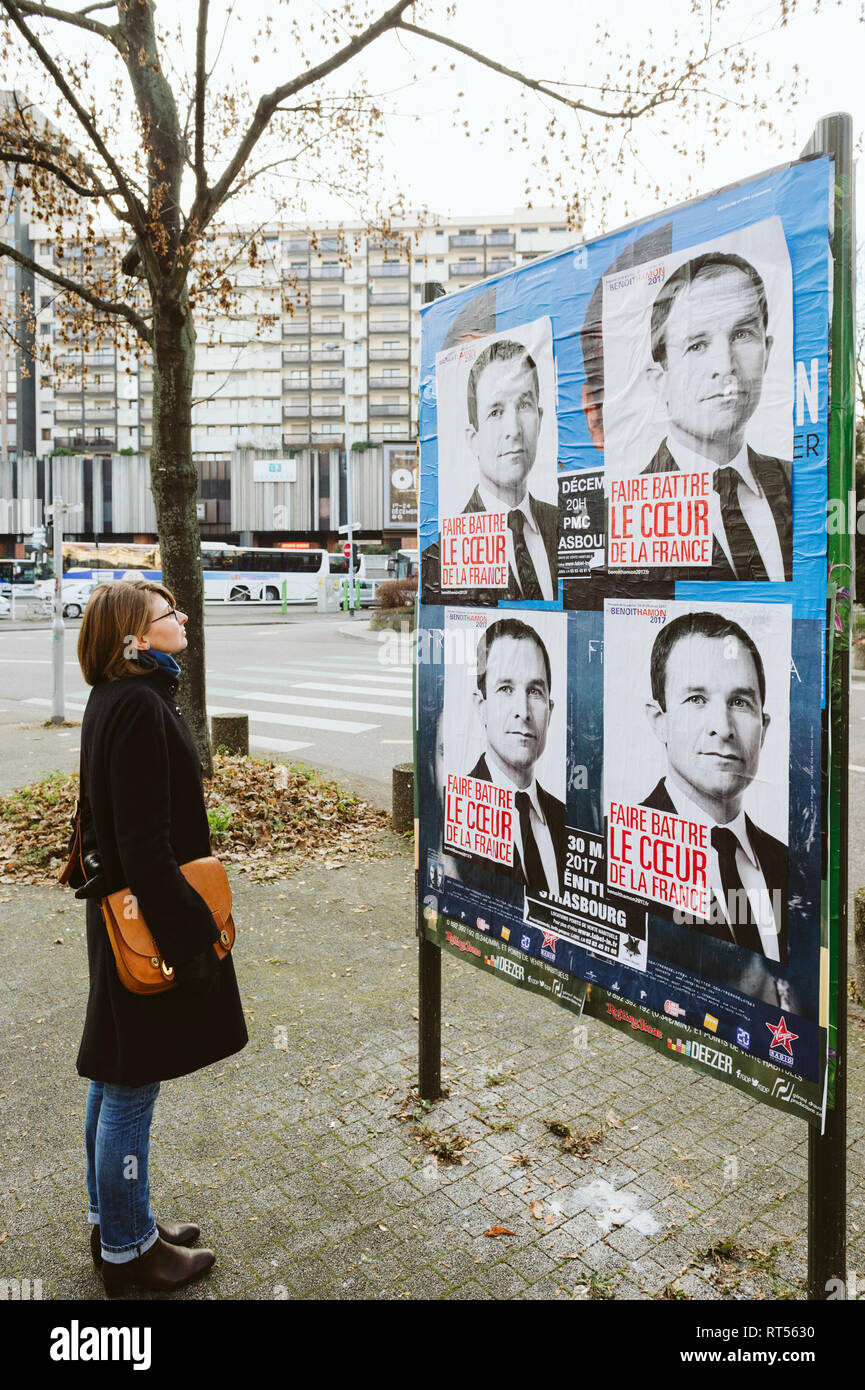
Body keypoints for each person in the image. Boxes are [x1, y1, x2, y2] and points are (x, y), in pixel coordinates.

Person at [72, 579, 248, 1294]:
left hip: (119, 914)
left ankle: (115, 1217)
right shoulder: (141, 707)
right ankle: (130, 1253)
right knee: (130, 1088)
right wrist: (192, 942)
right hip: (146, 922)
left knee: (114, 1072)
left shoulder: (119, 696)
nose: (181, 617)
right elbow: (146, 845)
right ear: (132, 638)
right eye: (165, 613)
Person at [641, 610, 788, 961]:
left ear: (763, 728)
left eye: (740, 703)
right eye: (696, 699)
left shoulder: (786, 862)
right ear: (659, 721)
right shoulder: (622, 847)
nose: (722, 727)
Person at [642, 252, 792, 582]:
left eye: (742, 334)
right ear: (659, 380)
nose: (725, 365)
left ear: (766, 353)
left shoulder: (800, 484)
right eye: (697, 345)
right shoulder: (622, 513)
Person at [423, 337, 557, 604]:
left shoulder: (564, 527)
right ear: (473, 438)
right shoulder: (440, 554)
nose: (514, 430)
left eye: (524, 405)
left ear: (540, 420)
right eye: (496, 412)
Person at [467, 617, 565, 900]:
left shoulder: (566, 820)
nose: (522, 711)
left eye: (535, 691)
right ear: (481, 706)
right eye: (506, 689)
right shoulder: (456, 806)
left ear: (550, 709)